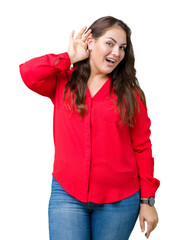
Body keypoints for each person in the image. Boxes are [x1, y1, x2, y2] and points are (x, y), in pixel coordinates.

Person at [19, 16, 160, 240]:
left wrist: (148, 201)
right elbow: (28, 73)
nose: (116, 53)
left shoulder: (130, 94)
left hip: (120, 201)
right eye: (110, 43)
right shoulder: (63, 81)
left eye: (122, 47)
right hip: (67, 194)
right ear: (90, 42)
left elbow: (142, 148)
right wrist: (69, 57)